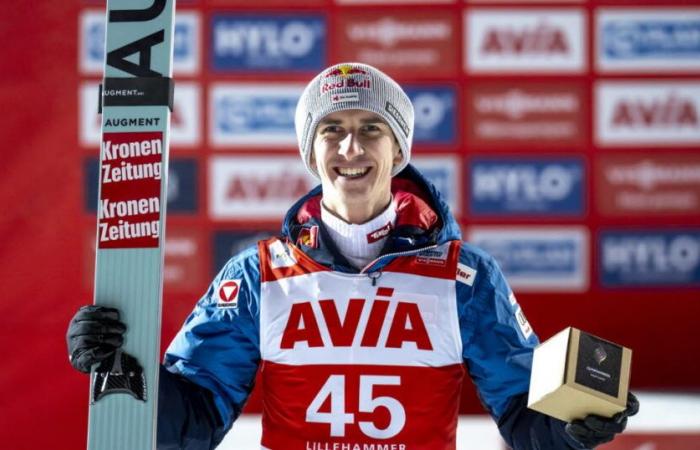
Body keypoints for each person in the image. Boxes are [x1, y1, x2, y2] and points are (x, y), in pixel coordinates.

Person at [68, 62, 638, 449]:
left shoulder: (464, 277)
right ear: (311, 153)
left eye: (372, 128)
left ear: (398, 149)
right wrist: (119, 369)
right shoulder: (259, 275)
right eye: (332, 130)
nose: (351, 148)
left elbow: (523, 415)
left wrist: (571, 429)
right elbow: (190, 423)